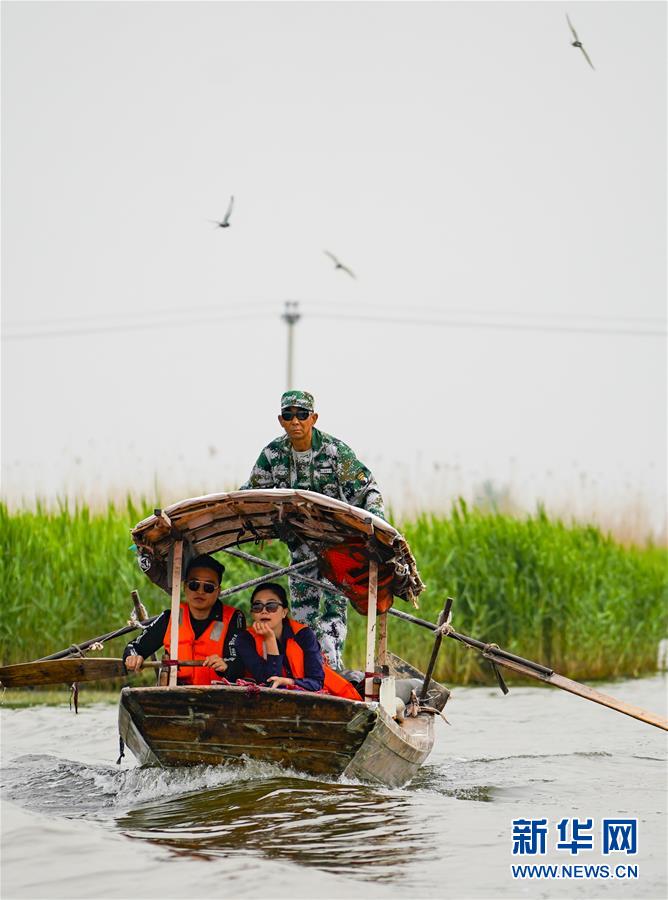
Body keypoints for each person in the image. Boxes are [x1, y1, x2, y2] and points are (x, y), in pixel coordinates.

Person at [240, 389, 384, 670]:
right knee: (303, 619)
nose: (296, 421)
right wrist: (255, 524)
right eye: (289, 415)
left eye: (302, 415)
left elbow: (369, 490)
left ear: (313, 418)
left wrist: (375, 528)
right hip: (301, 549)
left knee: (333, 612)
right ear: (281, 421)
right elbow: (250, 494)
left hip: (339, 547)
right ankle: (304, 671)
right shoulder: (272, 455)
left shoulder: (334, 452)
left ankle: (331, 669)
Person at [123, 554, 246, 684]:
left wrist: (226, 665)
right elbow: (134, 647)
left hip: (219, 696)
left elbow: (239, 662)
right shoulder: (170, 617)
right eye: (194, 585)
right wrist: (132, 656)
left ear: (218, 591)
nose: (200, 591)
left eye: (208, 587)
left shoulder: (234, 618)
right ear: (185, 587)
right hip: (176, 696)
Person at [235, 582, 360, 700]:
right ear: (252, 613)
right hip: (275, 701)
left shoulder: (304, 635)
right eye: (257, 606)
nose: (264, 611)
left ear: (284, 612)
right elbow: (268, 682)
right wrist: (270, 640)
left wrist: (289, 682)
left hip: (329, 697)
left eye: (271, 606)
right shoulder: (245, 639)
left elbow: (316, 683)